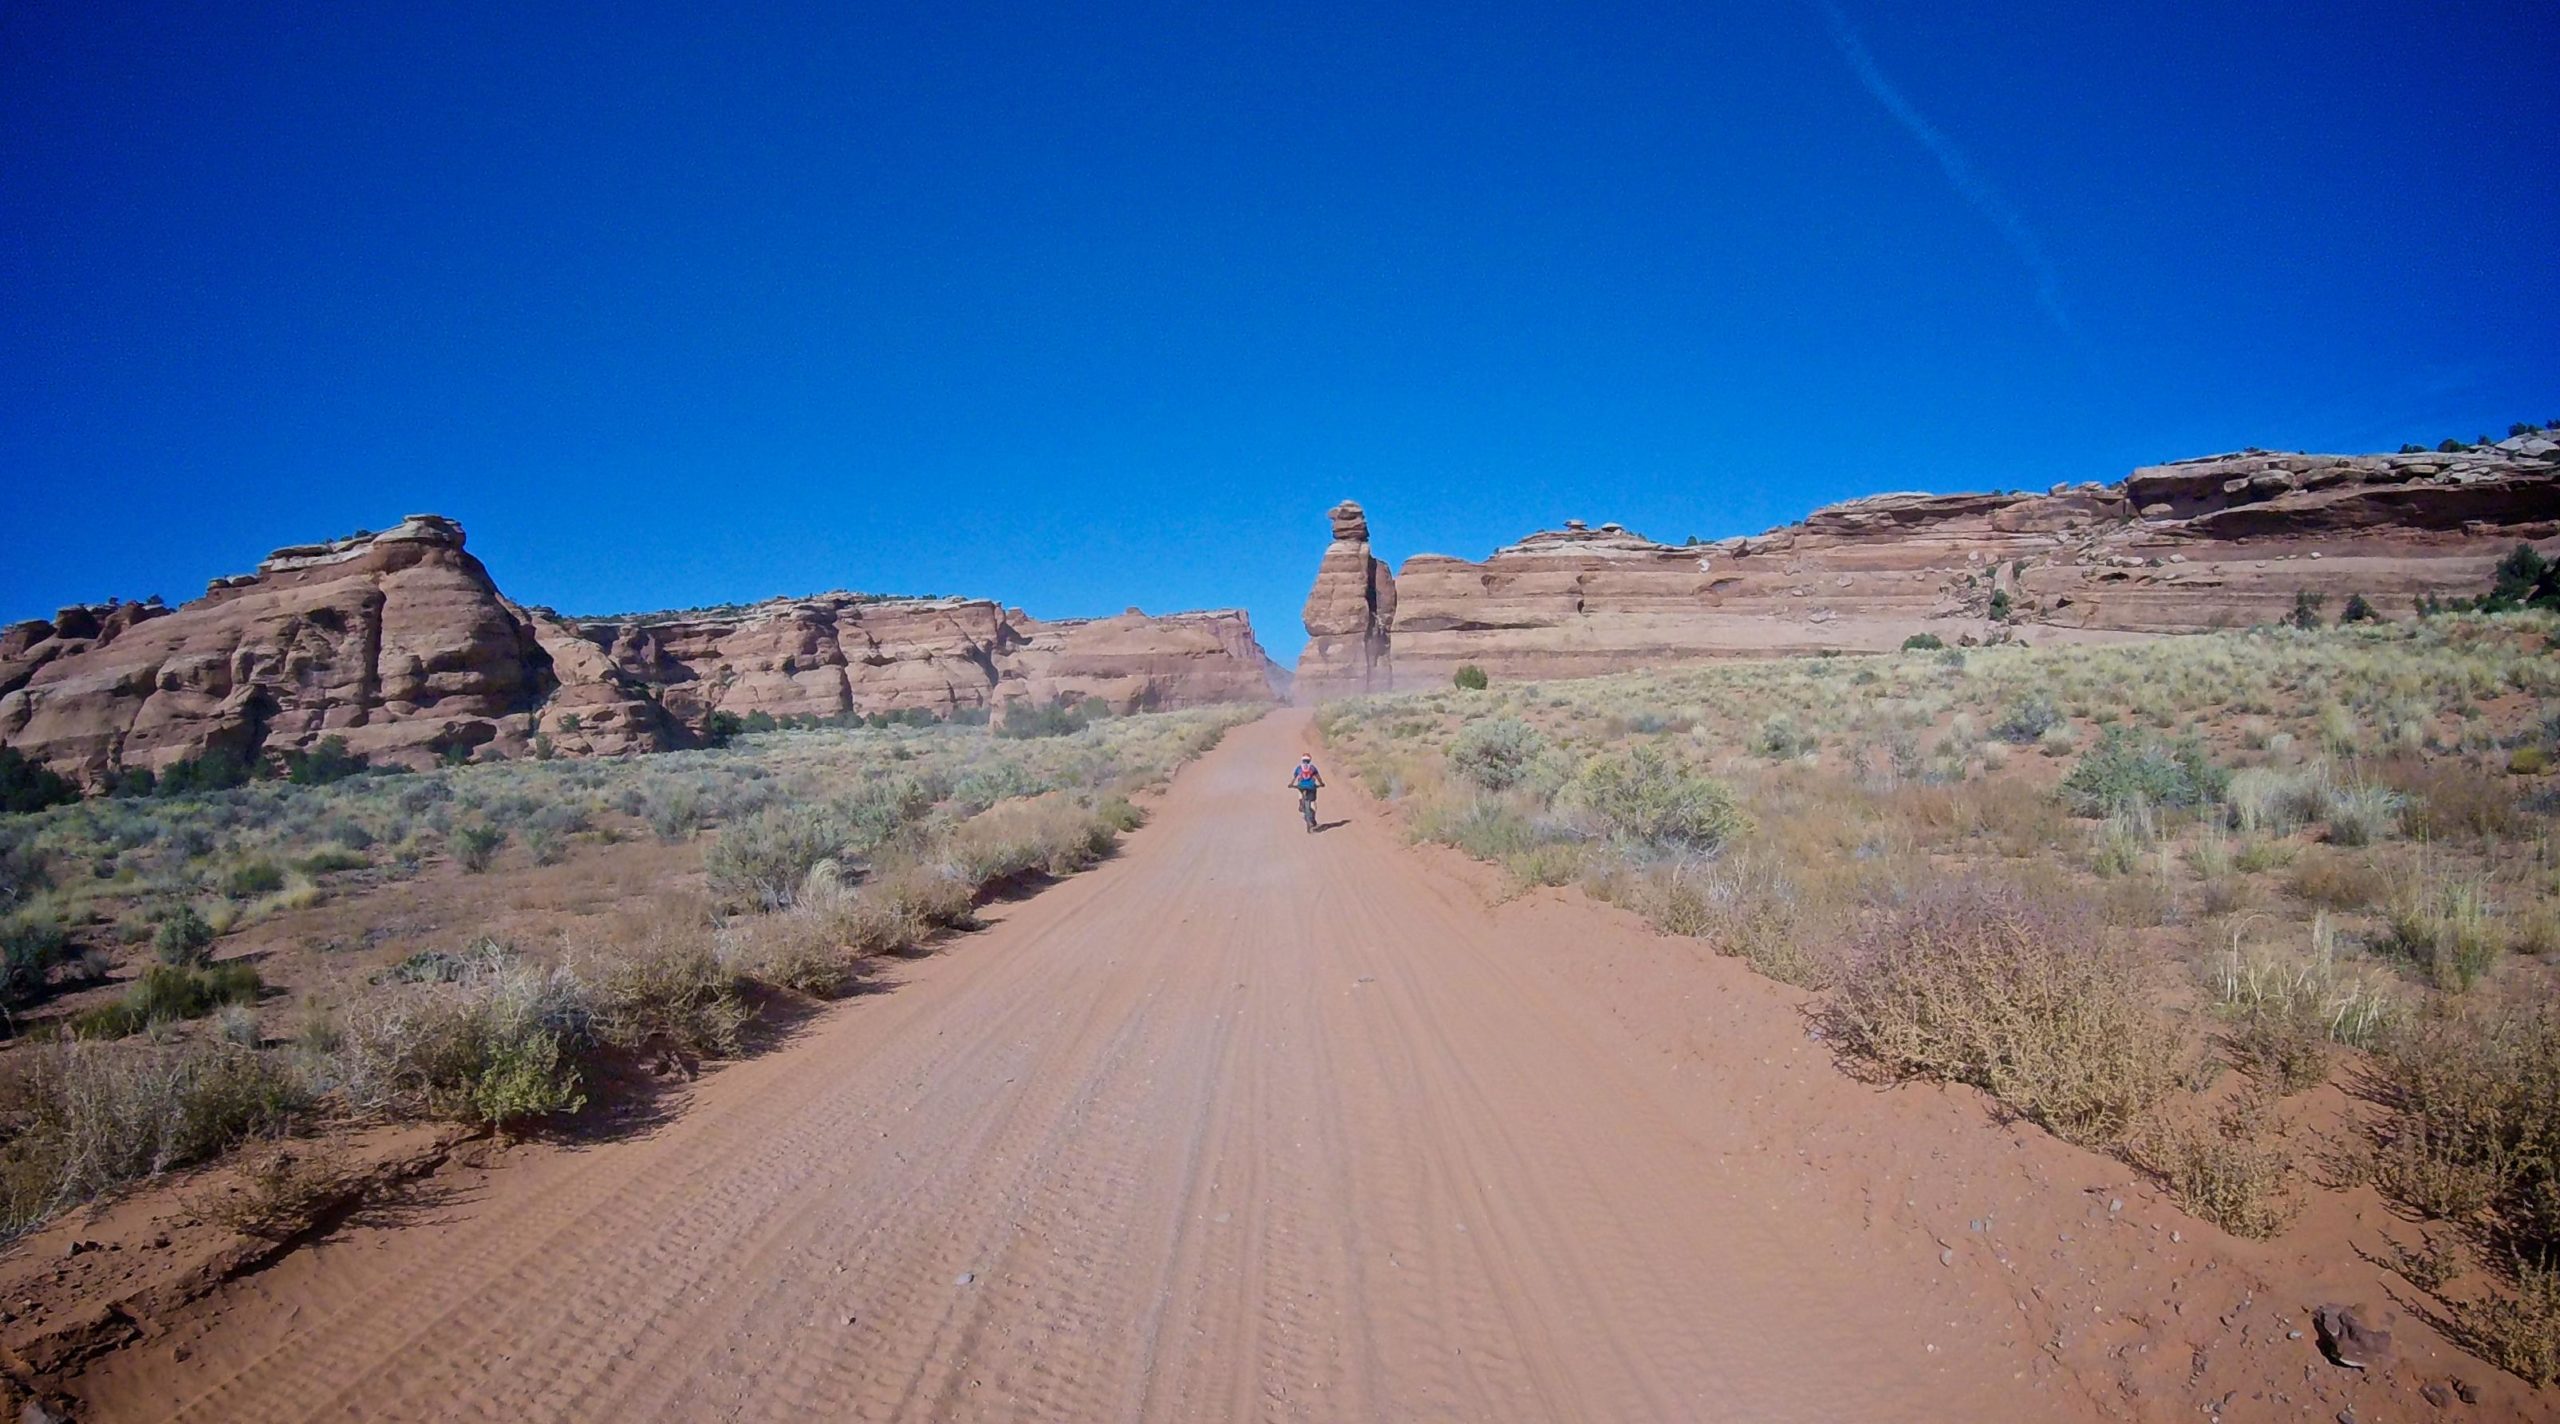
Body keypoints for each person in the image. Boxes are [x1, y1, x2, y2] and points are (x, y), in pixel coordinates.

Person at [1288, 754, 1325, 832]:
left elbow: (1295, 777)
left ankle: (1301, 802)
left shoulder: (1299, 768)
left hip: (1301, 786)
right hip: (1311, 787)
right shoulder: (1313, 768)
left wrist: (1291, 784)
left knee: (1299, 789)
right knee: (1313, 803)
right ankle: (1312, 819)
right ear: (1310, 760)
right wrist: (1321, 784)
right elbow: (1318, 778)